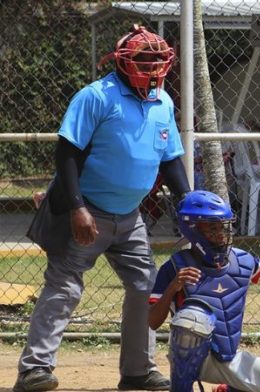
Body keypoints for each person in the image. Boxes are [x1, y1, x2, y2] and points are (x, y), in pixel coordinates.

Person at [14, 25, 190, 392]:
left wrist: (189, 203)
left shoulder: (163, 103)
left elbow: (171, 160)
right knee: (64, 287)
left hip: (129, 217)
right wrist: (78, 208)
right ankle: (34, 369)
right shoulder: (97, 96)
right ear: (124, 63)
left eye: (159, 60)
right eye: (144, 60)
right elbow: (67, 154)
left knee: (145, 285)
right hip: (85, 211)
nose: (153, 67)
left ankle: (138, 371)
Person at [148, 190, 260, 392]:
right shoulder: (175, 267)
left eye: (223, 227)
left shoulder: (241, 261)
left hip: (228, 357)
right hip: (190, 359)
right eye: (212, 228)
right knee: (193, 317)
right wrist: (173, 287)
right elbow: (152, 322)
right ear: (192, 229)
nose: (220, 234)